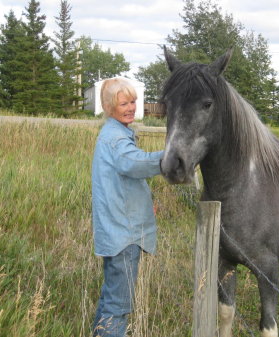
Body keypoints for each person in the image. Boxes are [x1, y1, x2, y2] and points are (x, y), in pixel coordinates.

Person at [91, 78, 163, 337]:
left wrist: (144, 205)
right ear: (110, 107)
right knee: (118, 306)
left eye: (133, 101)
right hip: (123, 234)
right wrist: (172, 156)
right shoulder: (116, 139)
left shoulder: (116, 133)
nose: (131, 107)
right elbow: (134, 164)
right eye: (124, 103)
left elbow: (124, 182)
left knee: (111, 297)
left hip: (118, 229)